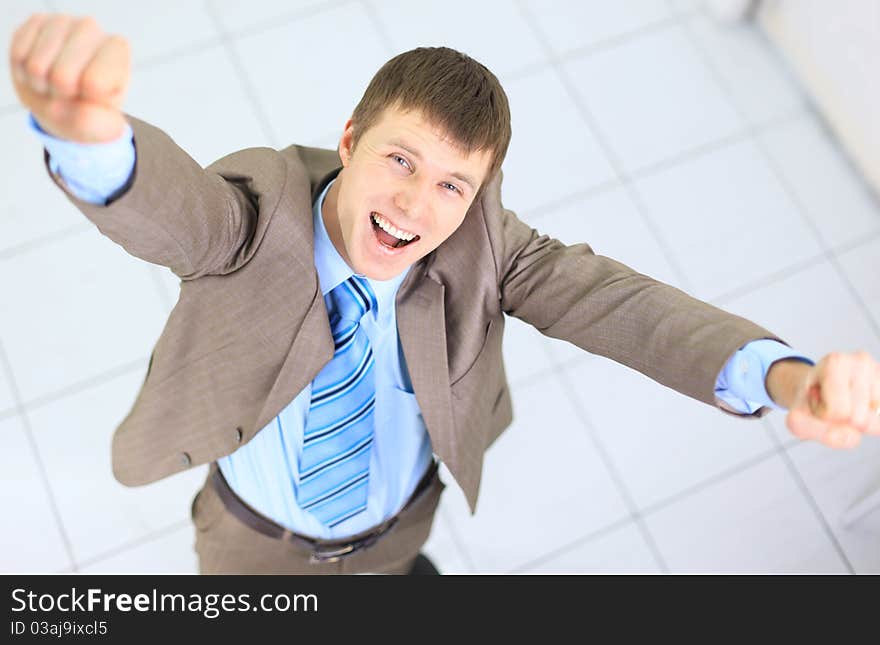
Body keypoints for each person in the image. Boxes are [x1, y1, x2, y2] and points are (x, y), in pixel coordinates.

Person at [10, 13, 880, 575]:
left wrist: (783, 378)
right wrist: (89, 140)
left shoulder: (486, 249)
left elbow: (628, 309)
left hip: (398, 529)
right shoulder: (254, 217)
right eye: (400, 160)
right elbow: (177, 211)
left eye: (453, 186)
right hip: (251, 543)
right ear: (350, 139)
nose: (415, 208)